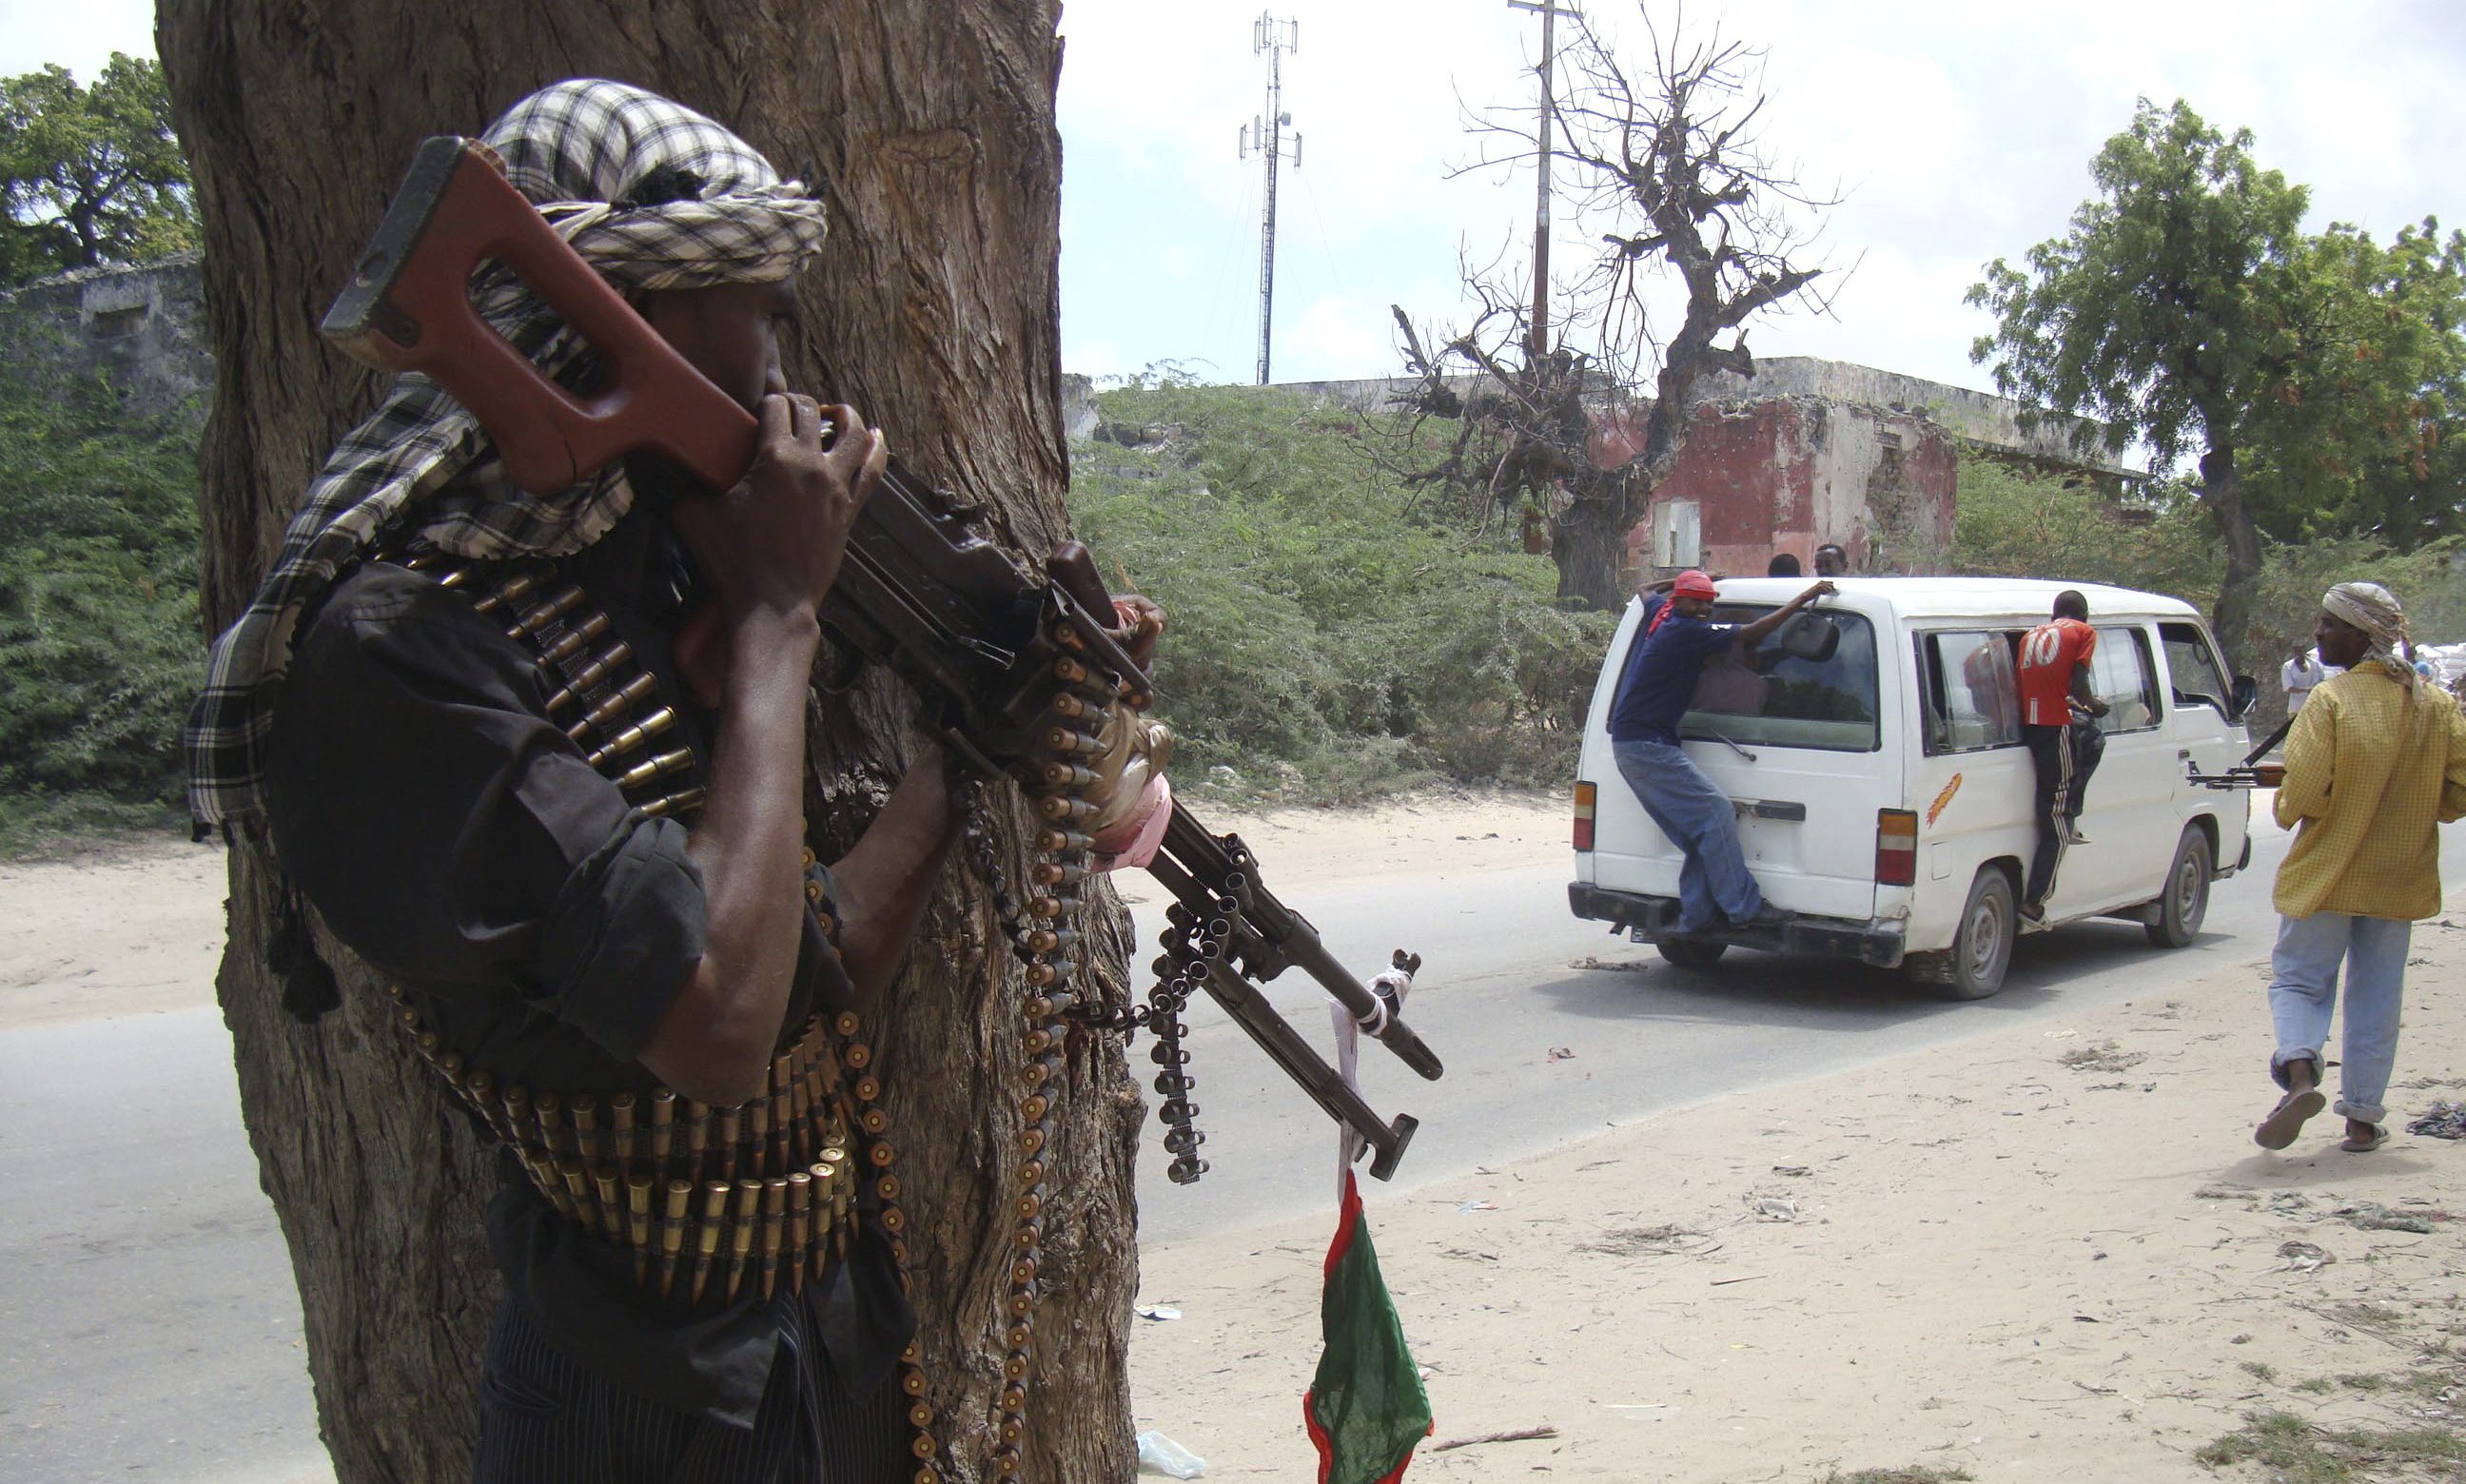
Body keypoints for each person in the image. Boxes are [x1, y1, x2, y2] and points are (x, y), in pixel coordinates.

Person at [185, 81, 1164, 1481]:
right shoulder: (396, 658)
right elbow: (719, 1025)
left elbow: (807, 965)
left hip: (821, 1343)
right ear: (608, 326)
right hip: (630, 1405)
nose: (783, 380)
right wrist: (775, 624)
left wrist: (984, 738)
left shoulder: (637, 585)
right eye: (759, 309)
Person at [2254, 583, 2466, 1154]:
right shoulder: (2438, 705)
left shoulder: (2331, 700)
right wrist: (2422, 805)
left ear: (2361, 634)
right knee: (2377, 994)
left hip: (2327, 871)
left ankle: (2300, 1076)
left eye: (2329, 624)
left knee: (2299, 979)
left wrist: (2307, 805)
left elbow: (2298, 794)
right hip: (2401, 875)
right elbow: (2458, 792)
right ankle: (2363, 1119)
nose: (2318, 633)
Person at [1605, 569, 1836, 932]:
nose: (1701, 608)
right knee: (1715, 811)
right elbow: (1752, 635)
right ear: (1679, 600)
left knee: (1704, 832)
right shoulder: (1686, 630)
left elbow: (1645, 588)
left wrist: (1700, 578)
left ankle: (1697, 918)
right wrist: (1802, 599)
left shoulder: (1660, 611)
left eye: (1707, 602)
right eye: (1695, 600)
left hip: (1636, 742)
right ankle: (1745, 908)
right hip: (1647, 745)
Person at [2015, 590, 2108, 921]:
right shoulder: (2084, 632)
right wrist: (2094, 704)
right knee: (2056, 815)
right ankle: (2034, 900)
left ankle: (2071, 809)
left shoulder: (2031, 634)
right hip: (2055, 727)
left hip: (2029, 723)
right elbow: (2079, 680)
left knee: (2051, 797)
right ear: (2083, 614)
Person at [2281, 646, 2333, 713]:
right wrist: (2305, 690)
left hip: (2315, 706)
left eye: (2300, 651)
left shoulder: (2314, 664)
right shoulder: (2288, 667)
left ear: (2305, 651)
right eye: (2296, 651)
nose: (2298, 654)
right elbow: (2288, 688)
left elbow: (2322, 680)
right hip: (2297, 708)